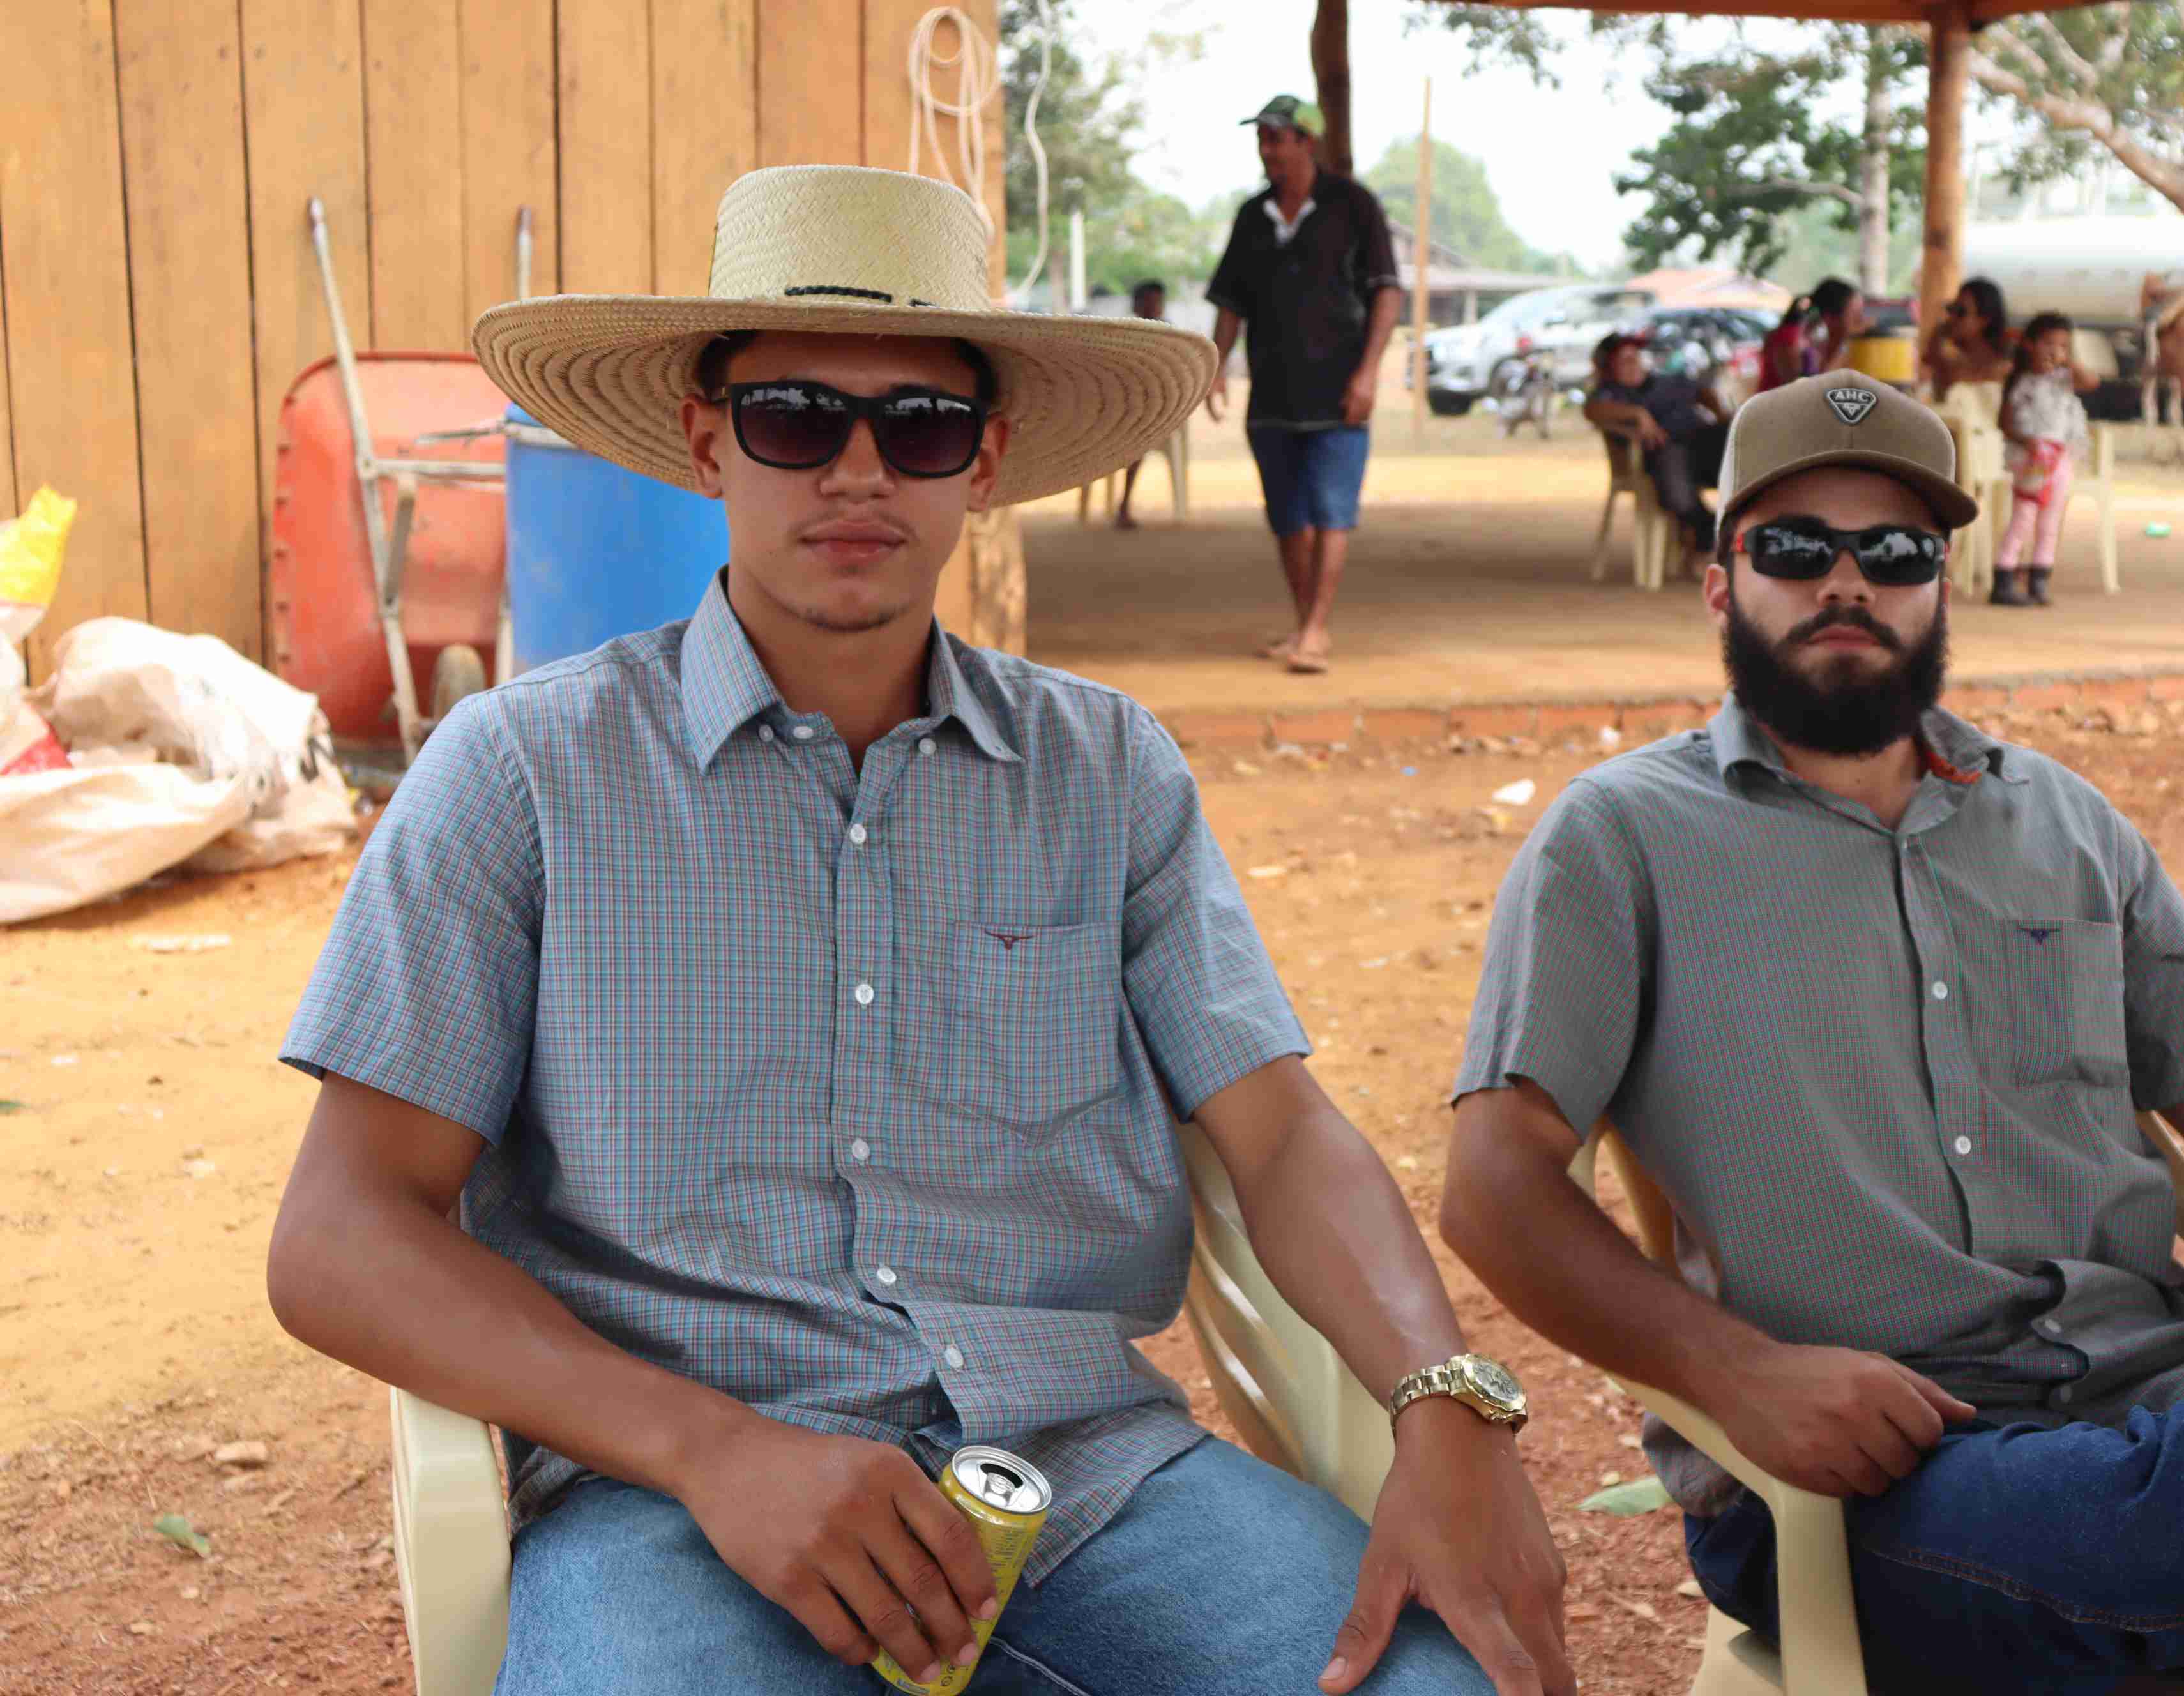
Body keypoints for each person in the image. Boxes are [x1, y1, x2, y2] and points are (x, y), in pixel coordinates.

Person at [266, 165, 1572, 1696]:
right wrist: (709, 1446)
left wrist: (1443, 1396)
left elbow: (1278, 1131)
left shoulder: (1106, 769)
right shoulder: (523, 772)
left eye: (923, 427)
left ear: (985, 460)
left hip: (1092, 1482)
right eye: (794, 418)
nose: (858, 471)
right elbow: (343, 1229)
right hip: (676, 1509)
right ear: (707, 438)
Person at [1438, 367, 2184, 1692]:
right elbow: (1493, 1182)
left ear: (1941, 587)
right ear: (1721, 584)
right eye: (1794, 548)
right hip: (1876, 1479)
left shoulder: (2066, 825)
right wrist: (1736, 1375)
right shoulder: (1621, 839)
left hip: (2174, 1421)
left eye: (1895, 553)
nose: (1846, 582)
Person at [1206, 95, 1404, 676]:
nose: (1266, 150)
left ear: (1306, 142)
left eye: (1276, 138)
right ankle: (1304, 626)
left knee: (1331, 513)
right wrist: (1216, 366)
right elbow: (1230, 302)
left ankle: (1316, 630)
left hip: (1340, 391)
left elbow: (1388, 292)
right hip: (1271, 393)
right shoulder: (1252, 215)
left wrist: (1368, 373)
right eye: (1261, 139)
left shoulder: (1354, 206)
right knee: (1287, 518)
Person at [1581, 329, 1729, 556]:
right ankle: (1705, 533)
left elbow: (1704, 392)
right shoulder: (1610, 394)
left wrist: (1721, 414)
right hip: (1664, 455)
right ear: (1608, 367)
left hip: (1703, 446)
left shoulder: (1667, 381)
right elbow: (1592, 411)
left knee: (1737, 442)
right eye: (1624, 361)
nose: (1633, 365)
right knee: (1676, 475)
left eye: (1635, 358)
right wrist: (1637, 413)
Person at [1993, 312, 2098, 607]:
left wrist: (2068, 362)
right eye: (2048, 344)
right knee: (2024, 516)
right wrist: (2028, 442)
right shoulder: (2021, 382)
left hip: (2060, 457)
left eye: (2063, 346)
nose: (2055, 351)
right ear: (2029, 345)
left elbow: (2092, 382)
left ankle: (2039, 578)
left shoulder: (2065, 379)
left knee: (2051, 519)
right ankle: (2004, 576)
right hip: (2031, 458)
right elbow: (2004, 423)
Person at [1114, 278, 1172, 531]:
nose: (1153, 307)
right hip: (1124, 411)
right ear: (1136, 306)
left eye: (1156, 302)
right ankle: (1123, 505)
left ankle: (1124, 504)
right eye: (1147, 302)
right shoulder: (1122, 336)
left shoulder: (1170, 337)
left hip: (1153, 414)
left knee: (1138, 438)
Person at [1920, 276, 2013, 401]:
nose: (1951, 317)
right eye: (1951, 309)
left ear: (1984, 320)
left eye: (1961, 312)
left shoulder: (2004, 371)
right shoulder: (1951, 364)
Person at [1759, 298, 1817, 393]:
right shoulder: (1789, 335)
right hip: (1779, 394)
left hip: (1772, 391)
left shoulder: (1781, 333)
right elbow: (1789, 375)